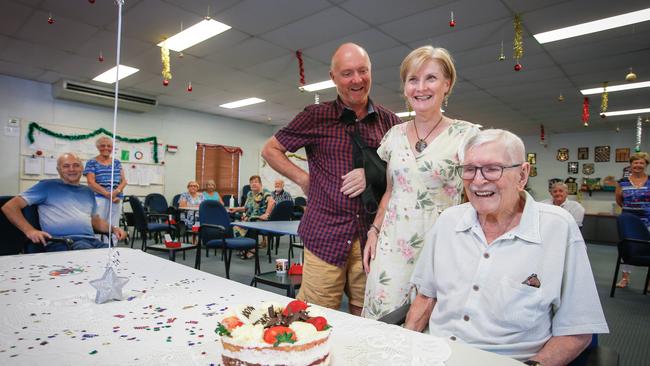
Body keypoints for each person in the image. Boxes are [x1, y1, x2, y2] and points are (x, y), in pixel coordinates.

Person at [406, 129, 608, 365]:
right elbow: (425, 297)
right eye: (469, 169)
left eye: (492, 168)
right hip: (434, 352)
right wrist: (408, 348)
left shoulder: (558, 228)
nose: (478, 180)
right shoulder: (448, 221)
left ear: (522, 175)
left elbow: (578, 329)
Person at [261, 43, 401, 315]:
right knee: (315, 314)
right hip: (325, 236)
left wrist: (372, 172)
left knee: (367, 314)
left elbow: (403, 174)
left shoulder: (390, 122)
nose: (357, 79)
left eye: (363, 71)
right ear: (333, 77)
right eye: (347, 73)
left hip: (371, 238)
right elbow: (270, 150)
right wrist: (303, 179)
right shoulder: (316, 116)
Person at [361, 46, 479, 320]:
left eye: (431, 78)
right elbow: (392, 190)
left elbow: (476, 198)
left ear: (447, 84)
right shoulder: (393, 136)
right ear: (404, 88)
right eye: (413, 79)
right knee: (382, 325)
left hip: (440, 247)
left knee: (428, 328)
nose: (421, 87)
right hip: (391, 248)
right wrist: (374, 231)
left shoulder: (466, 136)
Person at [1, 153, 127, 251]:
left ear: (82, 169)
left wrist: (114, 228)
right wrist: (30, 231)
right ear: (59, 169)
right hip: (63, 243)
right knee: (94, 260)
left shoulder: (87, 191)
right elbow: (9, 207)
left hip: (90, 241)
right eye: (66, 166)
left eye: (76, 165)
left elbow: (95, 221)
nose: (72, 169)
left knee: (118, 257)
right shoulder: (47, 186)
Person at [614, 152, 650, 288]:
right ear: (631, 165)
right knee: (628, 248)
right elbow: (619, 200)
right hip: (629, 220)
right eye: (635, 163)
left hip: (648, 219)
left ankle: (649, 282)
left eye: (641, 163)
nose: (638, 165)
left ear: (646, 165)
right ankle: (625, 278)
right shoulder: (622, 182)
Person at [83, 136, 127, 233]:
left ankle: (113, 246)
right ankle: (99, 247)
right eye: (103, 146)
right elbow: (91, 182)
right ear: (98, 147)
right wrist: (107, 194)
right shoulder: (92, 162)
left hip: (116, 198)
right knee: (99, 226)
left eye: (109, 146)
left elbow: (124, 181)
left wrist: (116, 192)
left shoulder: (116, 162)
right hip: (100, 198)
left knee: (114, 225)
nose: (106, 148)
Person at [228, 175, 275, 259]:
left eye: (256, 182)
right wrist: (235, 209)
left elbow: (272, 202)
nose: (253, 184)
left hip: (260, 219)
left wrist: (266, 214)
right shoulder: (249, 194)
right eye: (251, 182)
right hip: (250, 218)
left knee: (252, 225)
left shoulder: (265, 192)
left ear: (260, 183)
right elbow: (245, 208)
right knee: (237, 225)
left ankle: (252, 249)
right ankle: (244, 247)